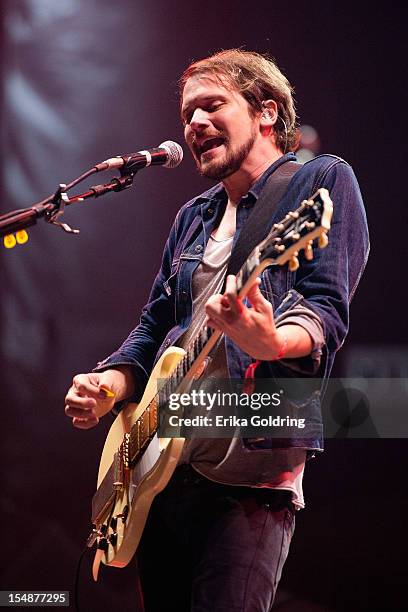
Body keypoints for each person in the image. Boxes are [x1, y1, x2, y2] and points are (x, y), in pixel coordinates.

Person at [65, 49, 369, 611]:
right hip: (161, 474)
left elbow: (325, 307)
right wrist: (110, 382)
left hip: (249, 478)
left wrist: (272, 341)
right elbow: (156, 324)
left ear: (267, 112)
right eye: (187, 114)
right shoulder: (193, 216)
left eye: (212, 106)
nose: (194, 123)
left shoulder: (321, 182)